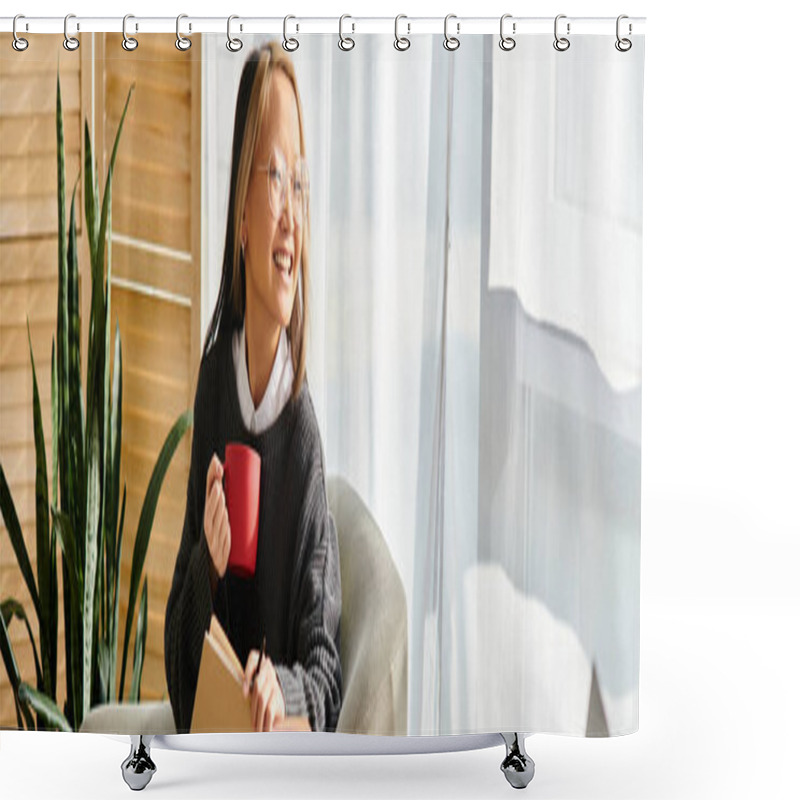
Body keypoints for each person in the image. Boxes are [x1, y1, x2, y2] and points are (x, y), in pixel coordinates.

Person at [164, 40, 342, 734]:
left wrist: (283, 687)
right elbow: (181, 668)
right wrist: (207, 570)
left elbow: (326, 676)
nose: (293, 215)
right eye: (274, 176)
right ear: (240, 213)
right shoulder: (215, 386)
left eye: (300, 182)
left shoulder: (301, 442)